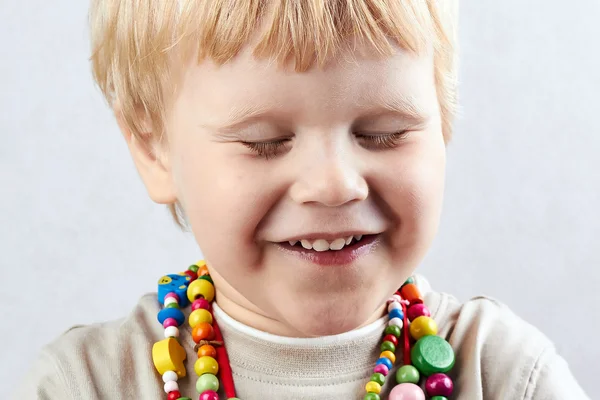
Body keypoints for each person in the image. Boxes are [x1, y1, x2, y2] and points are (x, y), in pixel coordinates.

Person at [13, 0, 589, 399]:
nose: (335, 184)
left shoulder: (508, 374)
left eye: (383, 131)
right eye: (266, 142)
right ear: (153, 149)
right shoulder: (85, 384)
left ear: (444, 124)